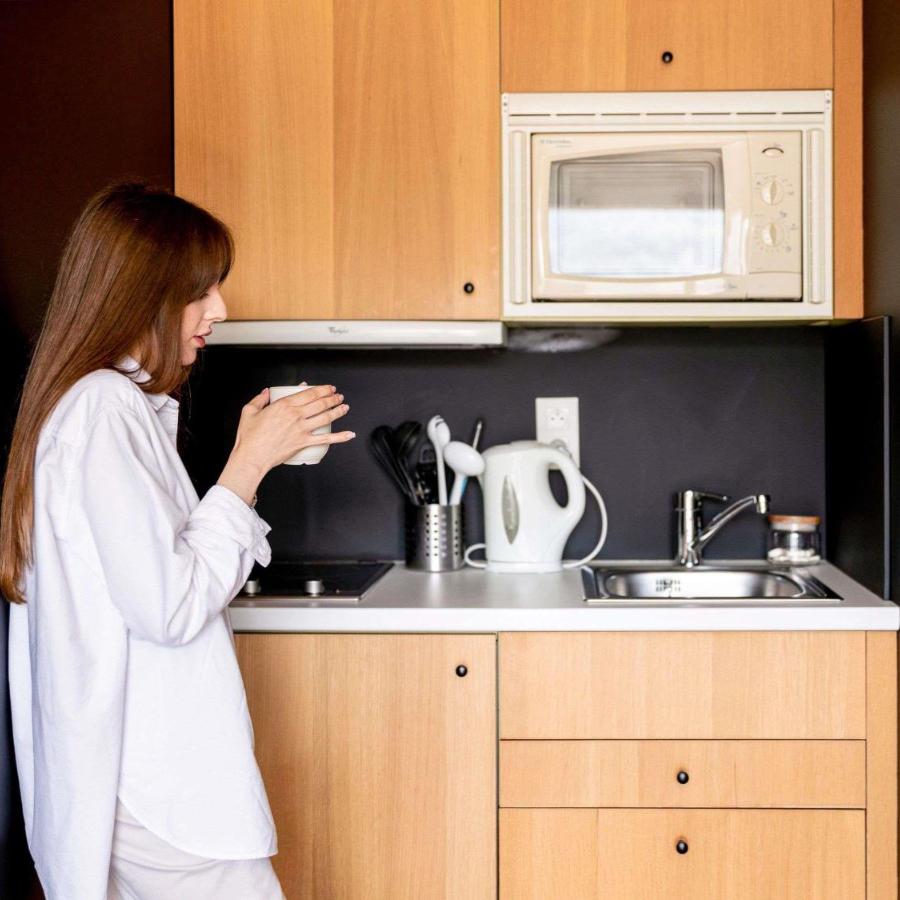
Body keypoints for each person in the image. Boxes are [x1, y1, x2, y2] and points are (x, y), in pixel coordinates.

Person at [0, 181, 355, 898]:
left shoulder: (108, 406)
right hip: (161, 789)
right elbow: (168, 607)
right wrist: (247, 464)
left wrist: (253, 459)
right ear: (142, 293)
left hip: (139, 779)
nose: (219, 309)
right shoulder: (103, 409)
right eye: (201, 290)